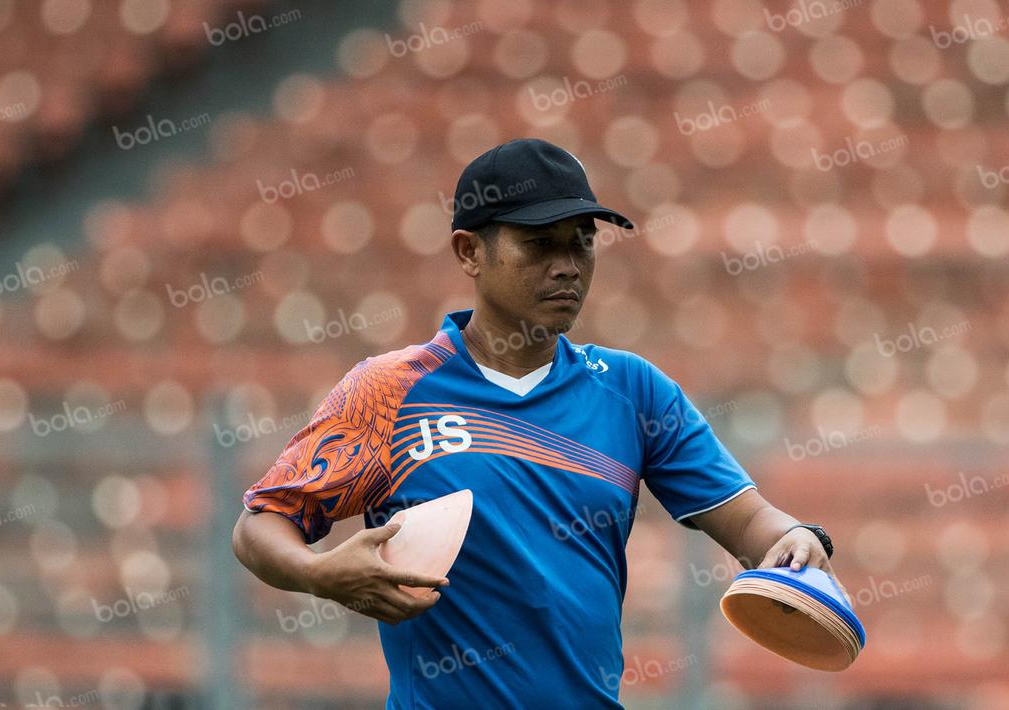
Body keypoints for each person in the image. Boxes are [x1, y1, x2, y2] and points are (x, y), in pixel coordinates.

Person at [232, 138, 840, 708]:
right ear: (470, 252)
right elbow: (261, 525)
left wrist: (795, 539)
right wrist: (321, 575)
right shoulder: (388, 389)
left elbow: (753, 522)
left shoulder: (633, 390)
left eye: (581, 241)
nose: (568, 265)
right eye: (539, 243)